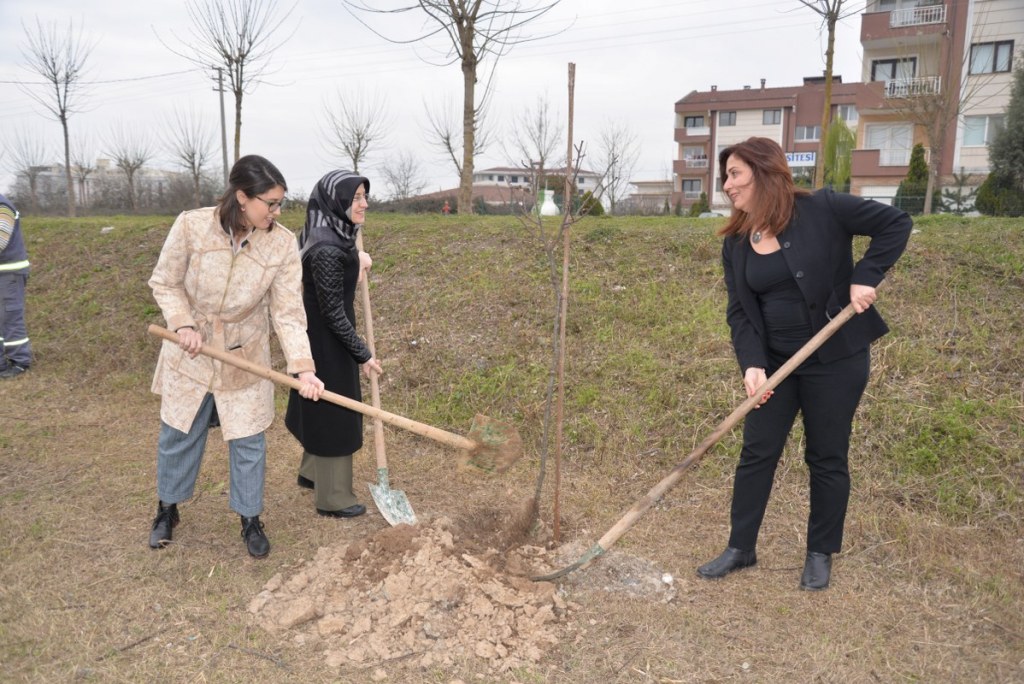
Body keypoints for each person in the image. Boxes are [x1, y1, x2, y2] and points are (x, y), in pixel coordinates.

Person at [697, 137, 911, 591]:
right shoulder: (737, 240)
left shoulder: (824, 208)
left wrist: (864, 277)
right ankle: (741, 547)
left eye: (734, 174)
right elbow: (740, 310)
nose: (727, 185)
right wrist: (752, 364)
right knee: (757, 452)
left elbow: (896, 223)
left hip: (836, 358)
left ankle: (819, 553)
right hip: (776, 363)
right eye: (726, 176)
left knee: (826, 455)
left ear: (764, 170)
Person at [147, 155, 325, 558]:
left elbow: (288, 311)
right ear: (242, 197)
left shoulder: (281, 243)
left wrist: (304, 367)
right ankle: (167, 509)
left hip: (246, 351)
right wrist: (183, 324)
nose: (277, 212)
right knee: (179, 433)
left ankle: (250, 518)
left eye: (281, 202)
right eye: (271, 203)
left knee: (248, 439)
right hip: (191, 349)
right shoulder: (192, 225)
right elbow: (165, 282)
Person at [285, 170, 381, 518]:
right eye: (356, 198)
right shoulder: (327, 247)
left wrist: (356, 262)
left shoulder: (334, 234)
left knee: (320, 408)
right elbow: (332, 313)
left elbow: (331, 282)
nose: (364, 204)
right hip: (326, 343)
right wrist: (363, 354)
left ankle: (312, 472)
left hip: (327, 337)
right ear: (336, 200)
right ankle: (334, 496)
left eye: (364, 196)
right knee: (336, 413)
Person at [0, 192, 32, 379]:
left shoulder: (3, 206)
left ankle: (20, 363)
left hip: (9, 272)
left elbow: (1, 240)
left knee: (9, 317)